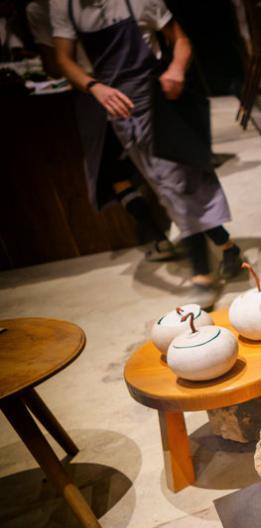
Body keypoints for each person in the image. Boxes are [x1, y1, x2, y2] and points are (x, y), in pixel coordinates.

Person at [51, 0, 241, 307]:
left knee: (176, 182)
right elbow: (63, 59)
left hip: (157, 100)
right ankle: (227, 246)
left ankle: (201, 275)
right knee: (167, 186)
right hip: (118, 110)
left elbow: (180, 40)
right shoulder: (64, 6)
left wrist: (177, 68)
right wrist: (95, 87)